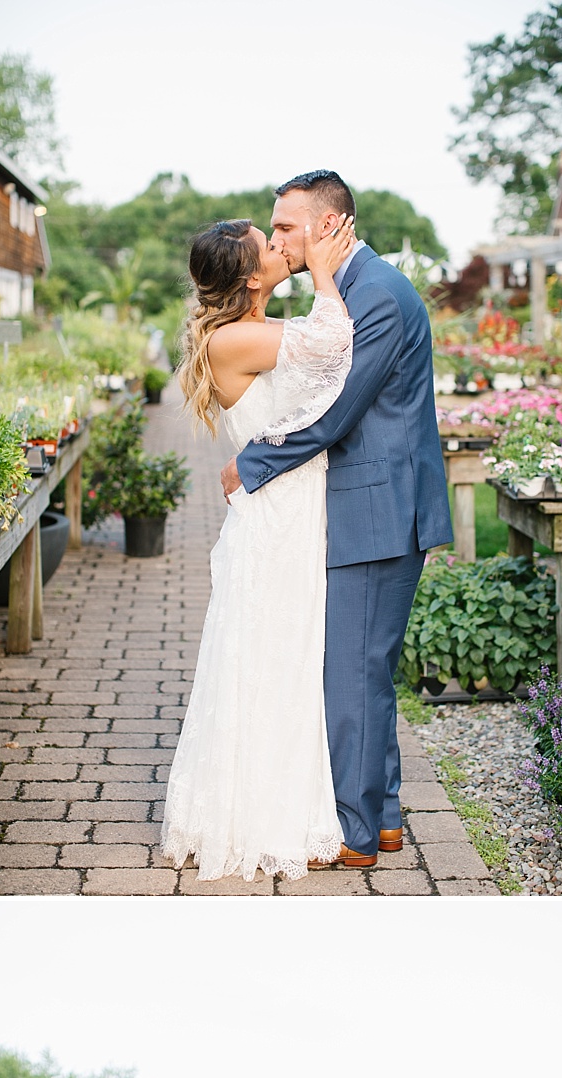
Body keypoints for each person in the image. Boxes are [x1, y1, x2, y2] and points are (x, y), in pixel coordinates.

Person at [219, 170, 453, 870]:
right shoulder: (352, 288)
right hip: (366, 504)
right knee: (366, 668)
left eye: (286, 227)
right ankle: (380, 816)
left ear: (327, 226)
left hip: (377, 508)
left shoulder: (376, 293)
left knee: (350, 671)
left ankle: (353, 833)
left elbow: (338, 409)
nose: (278, 241)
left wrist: (252, 465)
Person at [160, 213, 358, 879]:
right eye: (267, 245)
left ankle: (271, 805)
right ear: (249, 277)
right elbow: (333, 344)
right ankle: (263, 819)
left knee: (282, 655)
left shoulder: (250, 330)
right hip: (276, 520)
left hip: (286, 507)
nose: (280, 247)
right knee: (276, 658)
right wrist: (327, 273)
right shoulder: (239, 338)